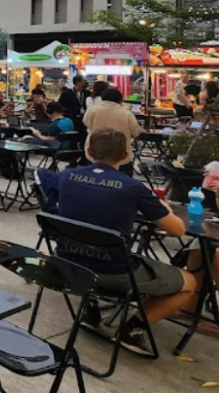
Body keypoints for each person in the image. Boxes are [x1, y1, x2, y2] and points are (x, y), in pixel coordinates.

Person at [35, 129, 196, 356]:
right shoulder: (134, 188)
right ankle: (133, 329)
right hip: (114, 272)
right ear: (126, 156)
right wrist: (165, 207)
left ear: (88, 152)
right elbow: (177, 229)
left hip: (68, 265)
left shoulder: (66, 177)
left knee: (98, 246)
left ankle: (91, 308)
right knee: (189, 282)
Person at [83, 88, 142, 170]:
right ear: (119, 100)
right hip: (119, 152)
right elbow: (135, 131)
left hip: (95, 149)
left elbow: (87, 123)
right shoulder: (126, 114)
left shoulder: (92, 110)